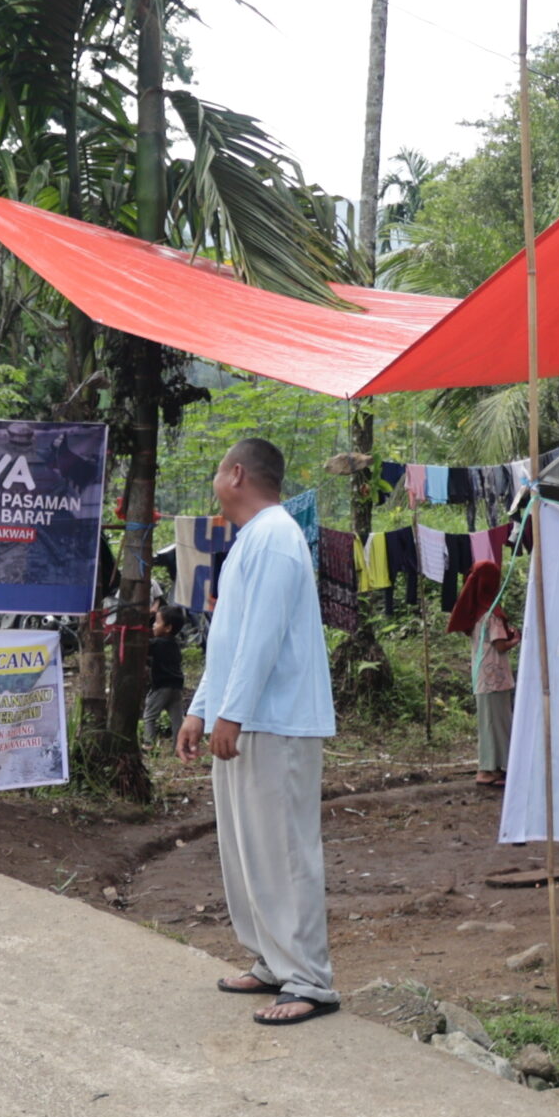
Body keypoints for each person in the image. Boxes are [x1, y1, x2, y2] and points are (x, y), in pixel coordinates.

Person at [178, 437, 339, 1026]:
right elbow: (229, 642)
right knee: (247, 849)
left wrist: (234, 712)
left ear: (237, 474)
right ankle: (271, 961)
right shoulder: (250, 540)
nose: (214, 481)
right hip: (247, 719)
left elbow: (264, 635)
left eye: (218, 470)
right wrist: (201, 709)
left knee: (285, 851)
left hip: (276, 721)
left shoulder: (275, 537)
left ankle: (309, 980)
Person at [447, 556, 517, 787]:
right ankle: (487, 770)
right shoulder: (492, 614)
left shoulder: (476, 612)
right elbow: (500, 646)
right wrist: (516, 639)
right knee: (497, 723)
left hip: (483, 676)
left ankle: (494, 767)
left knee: (490, 722)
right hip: (495, 678)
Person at [142, 604, 186, 743]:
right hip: (177, 686)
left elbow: (143, 647)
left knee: (149, 716)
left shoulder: (157, 643)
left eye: (157, 622)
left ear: (167, 628)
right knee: (177, 719)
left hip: (161, 686)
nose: (153, 625)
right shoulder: (175, 644)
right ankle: (179, 746)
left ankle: (148, 744)